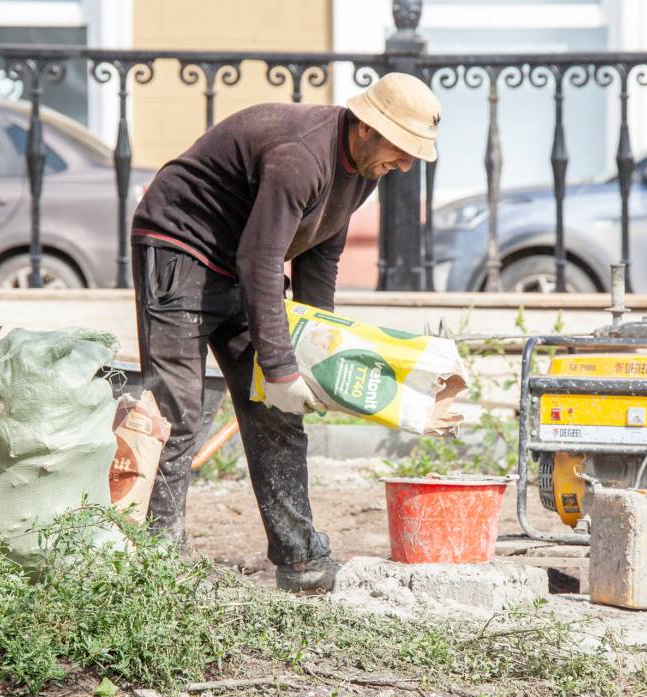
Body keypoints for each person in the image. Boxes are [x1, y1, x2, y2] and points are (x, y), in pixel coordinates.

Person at [130, 73, 442, 593]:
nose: (406, 164)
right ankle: (155, 567)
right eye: (401, 147)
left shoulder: (365, 170)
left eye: (414, 153)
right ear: (365, 127)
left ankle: (301, 561)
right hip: (179, 247)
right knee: (177, 412)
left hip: (243, 264)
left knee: (278, 411)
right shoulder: (301, 156)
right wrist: (278, 367)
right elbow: (261, 258)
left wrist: (314, 351)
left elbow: (320, 255)